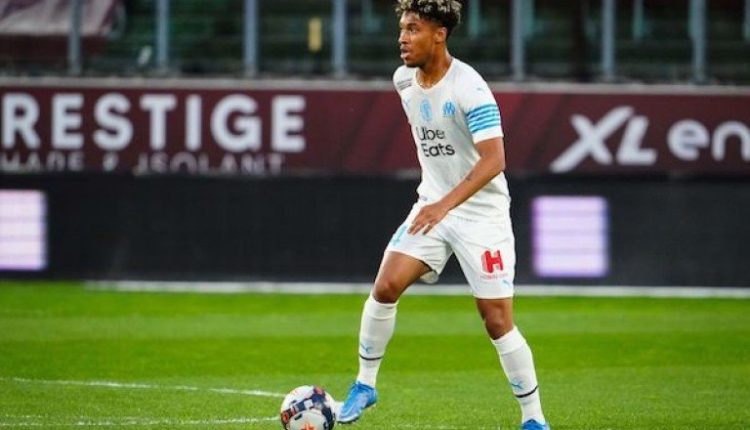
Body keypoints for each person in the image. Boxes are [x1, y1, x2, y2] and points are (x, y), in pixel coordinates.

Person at [337, 1, 550, 429]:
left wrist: (444, 204)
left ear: (440, 34)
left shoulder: (470, 88)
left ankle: (534, 419)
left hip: (481, 216)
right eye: (402, 29)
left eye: (413, 29)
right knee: (385, 286)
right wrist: (436, 202)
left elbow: (495, 160)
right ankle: (365, 383)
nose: (402, 38)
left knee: (496, 320)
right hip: (433, 206)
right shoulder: (403, 80)